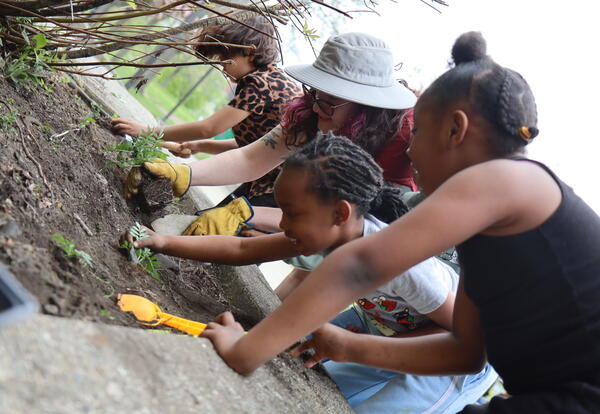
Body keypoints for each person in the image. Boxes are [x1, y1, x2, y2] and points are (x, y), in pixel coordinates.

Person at [199, 31, 600, 413]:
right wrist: (347, 347)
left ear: (455, 130)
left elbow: (360, 263)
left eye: (420, 130)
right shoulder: (490, 230)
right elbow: (465, 352)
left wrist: (245, 351)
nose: (410, 145)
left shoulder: (503, 178)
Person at [125, 133, 495, 413]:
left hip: (448, 358)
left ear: (341, 214)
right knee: (321, 386)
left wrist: (361, 350)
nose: (282, 223)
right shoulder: (329, 233)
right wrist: (161, 243)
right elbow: (243, 248)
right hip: (378, 322)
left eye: (292, 213)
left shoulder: (407, 265)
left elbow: (459, 335)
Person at [123, 32, 418, 232]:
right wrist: (183, 173)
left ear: (365, 105)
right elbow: (251, 160)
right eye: (314, 94)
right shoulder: (310, 111)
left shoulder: (403, 140)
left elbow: (340, 221)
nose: (316, 108)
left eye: (328, 102)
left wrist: (253, 217)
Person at [112, 16, 302, 207]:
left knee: (223, 226)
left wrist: (147, 132)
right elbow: (257, 145)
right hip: (271, 179)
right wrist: (200, 146)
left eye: (226, 59)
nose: (221, 65)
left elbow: (209, 127)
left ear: (250, 53)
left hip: (283, 187)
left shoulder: (261, 84)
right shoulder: (272, 79)